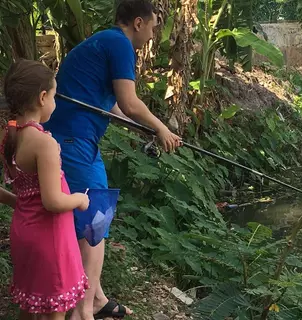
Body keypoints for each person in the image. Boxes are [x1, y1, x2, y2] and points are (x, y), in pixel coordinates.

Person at [42, 0, 182, 318]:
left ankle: (97, 298)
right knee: (94, 220)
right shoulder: (119, 44)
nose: (152, 34)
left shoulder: (105, 40)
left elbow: (114, 108)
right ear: (137, 22)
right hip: (71, 141)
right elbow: (130, 102)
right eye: (153, 26)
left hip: (78, 142)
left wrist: (145, 129)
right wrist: (160, 128)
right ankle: (83, 308)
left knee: (95, 215)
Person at [1, 59, 91, 320]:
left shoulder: (7, 136)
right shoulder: (43, 144)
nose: (54, 102)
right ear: (42, 97)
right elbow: (52, 201)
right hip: (49, 238)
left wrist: (18, 202)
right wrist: (78, 199)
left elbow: (27, 193)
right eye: (54, 96)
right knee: (55, 310)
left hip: (23, 232)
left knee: (29, 304)